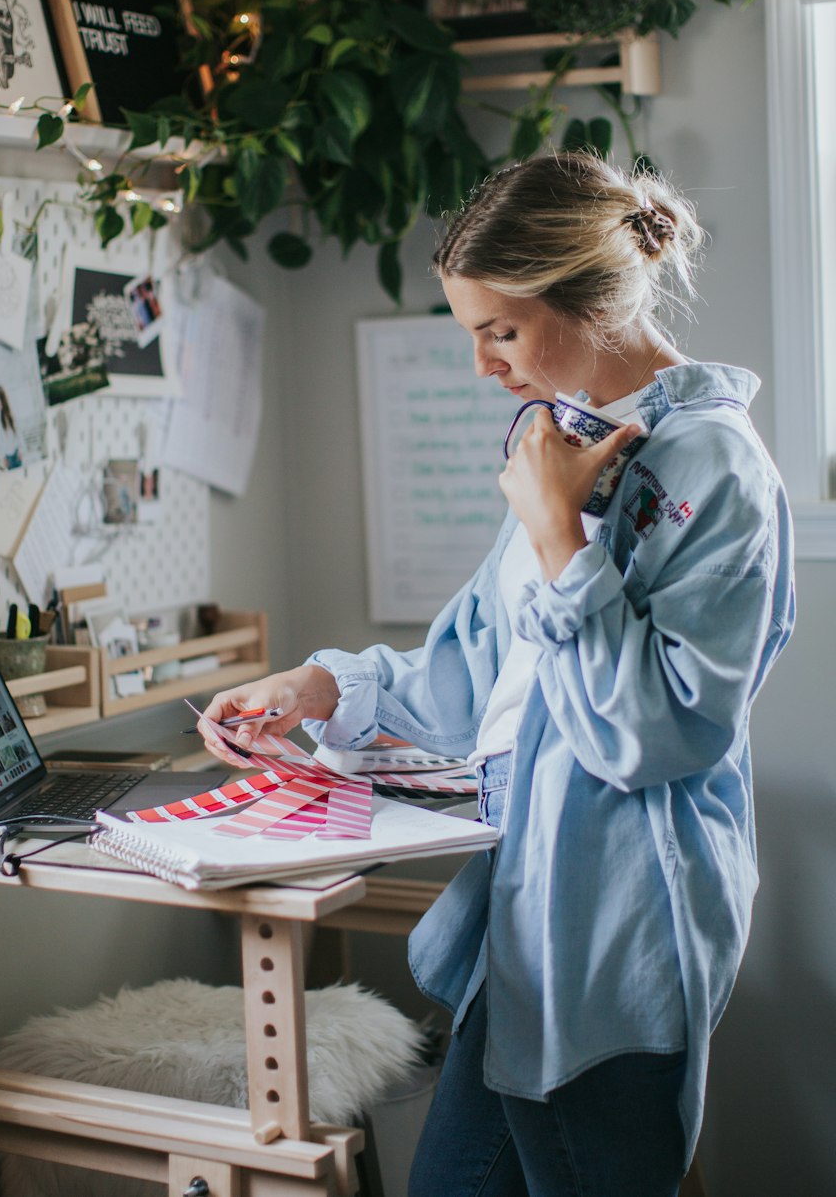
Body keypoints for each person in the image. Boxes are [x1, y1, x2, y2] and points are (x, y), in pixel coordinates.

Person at [197, 152, 796, 1197]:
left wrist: (563, 538)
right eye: (470, 330)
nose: (482, 364)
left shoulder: (718, 473)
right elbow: (469, 669)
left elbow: (657, 732)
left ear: (595, 300)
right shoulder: (556, 444)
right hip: (520, 930)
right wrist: (318, 684)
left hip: (614, 939)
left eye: (502, 330)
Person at [0, 385, 23, 469]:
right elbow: (0, 439)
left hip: (16, 454)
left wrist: (20, 450)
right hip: (8, 458)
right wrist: (3, 457)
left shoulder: (10, 415)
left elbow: (18, 433)